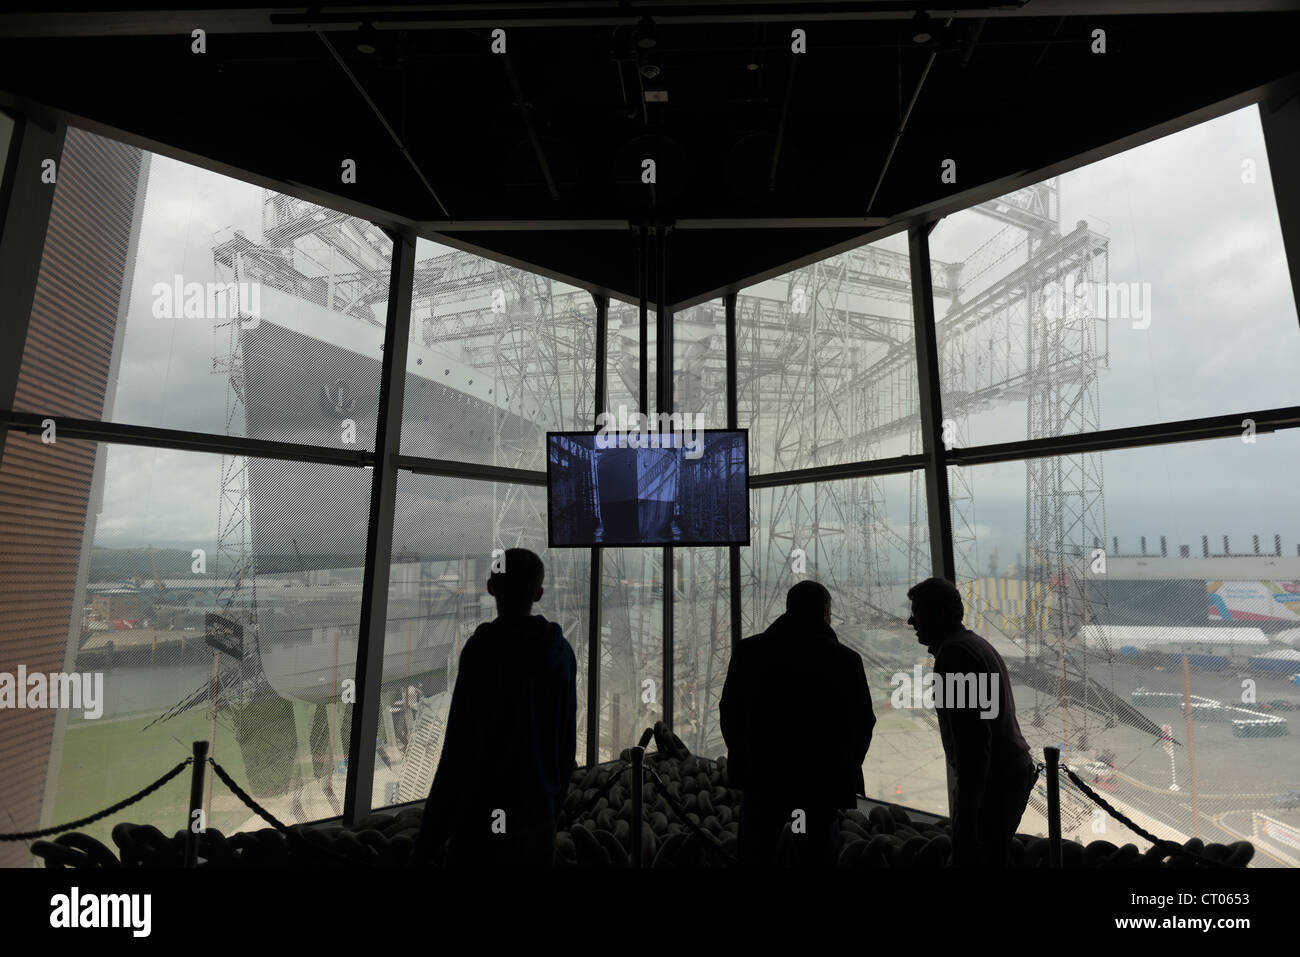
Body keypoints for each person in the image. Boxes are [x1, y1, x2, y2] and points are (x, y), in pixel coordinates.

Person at [409, 548, 576, 867]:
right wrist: (550, 811)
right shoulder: (561, 653)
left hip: (480, 821)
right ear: (538, 594)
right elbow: (565, 746)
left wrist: (426, 846)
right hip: (535, 820)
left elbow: (457, 753)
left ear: (490, 588)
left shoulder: (481, 651)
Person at [720, 580, 876, 867]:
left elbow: (730, 713)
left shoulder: (748, 652)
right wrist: (843, 769)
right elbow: (862, 724)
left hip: (762, 781)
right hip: (818, 788)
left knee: (757, 851)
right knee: (815, 853)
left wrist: (745, 759)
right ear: (825, 612)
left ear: (789, 608)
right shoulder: (845, 660)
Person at [907, 576, 1036, 867]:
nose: (910, 621)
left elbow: (974, 743)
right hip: (1007, 777)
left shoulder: (954, 656)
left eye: (916, 613)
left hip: (993, 784)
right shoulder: (974, 645)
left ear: (938, 614)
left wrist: (967, 810)